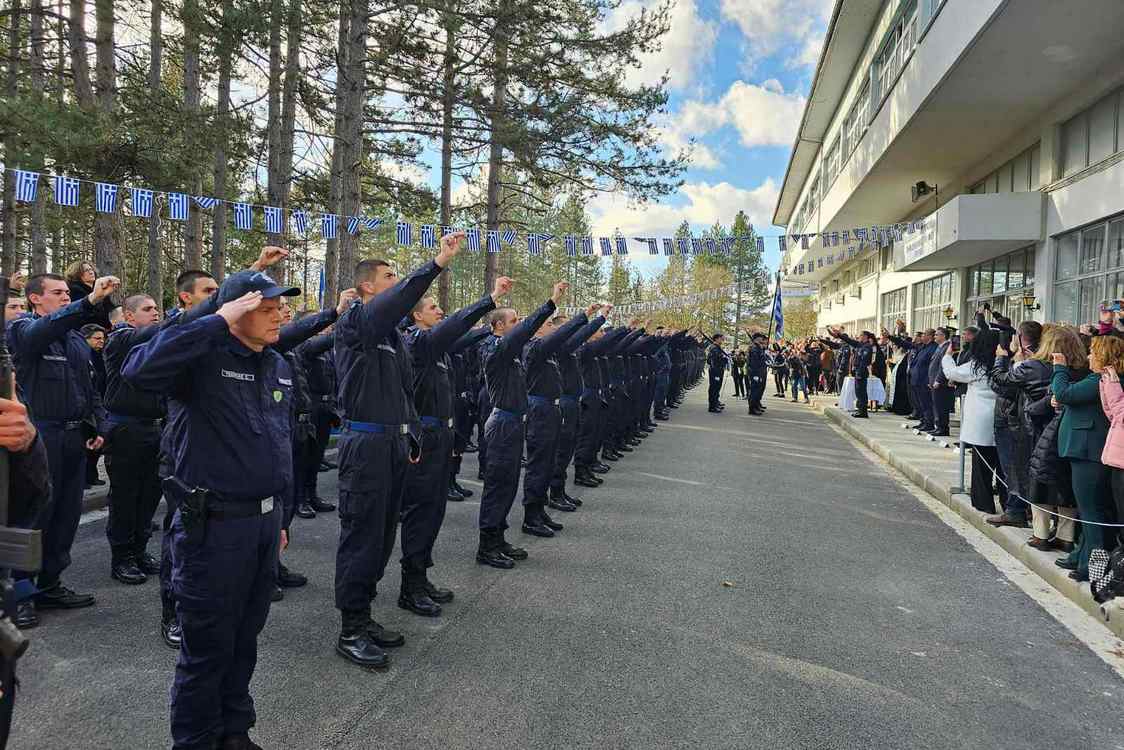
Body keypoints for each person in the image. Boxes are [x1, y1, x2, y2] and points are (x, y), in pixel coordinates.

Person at [123, 273, 298, 750]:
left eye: (281, 306)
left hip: (262, 524)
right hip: (213, 526)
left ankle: (233, 732)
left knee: (244, 639)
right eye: (266, 306)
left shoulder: (278, 364)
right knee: (207, 650)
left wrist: (281, 518)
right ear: (237, 311)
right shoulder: (201, 360)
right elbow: (138, 371)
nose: (280, 314)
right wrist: (215, 319)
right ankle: (197, 741)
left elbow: (280, 447)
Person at [6, 272, 118, 627]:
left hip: (73, 438)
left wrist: (98, 425)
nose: (66, 297)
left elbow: (92, 389)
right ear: (35, 299)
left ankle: (51, 584)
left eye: (68, 293)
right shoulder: (23, 331)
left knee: (66, 515)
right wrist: (88, 303)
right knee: (33, 516)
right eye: (57, 293)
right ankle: (18, 594)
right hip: (40, 437)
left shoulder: (75, 342)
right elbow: (44, 331)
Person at [398, 276, 510, 617]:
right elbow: (458, 327)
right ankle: (410, 586)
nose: (440, 310)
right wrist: (489, 299)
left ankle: (421, 576)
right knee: (420, 512)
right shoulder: (418, 343)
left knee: (434, 511)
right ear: (417, 316)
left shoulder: (439, 350)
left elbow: (465, 334)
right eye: (433, 307)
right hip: (426, 439)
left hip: (442, 436)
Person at [477, 281, 569, 567]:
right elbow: (528, 330)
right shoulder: (496, 350)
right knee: (497, 486)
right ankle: (487, 545)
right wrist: (550, 302)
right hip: (503, 424)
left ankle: (499, 538)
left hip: (515, 422)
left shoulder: (511, 353)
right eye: (514, 320)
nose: (519, 324)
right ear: (499, 327)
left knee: (507, 485)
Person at [102, 294, 165, 585]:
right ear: (129, 316)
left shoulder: (153, 345)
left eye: (156, 309)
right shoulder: (120, 339)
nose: (156, 314)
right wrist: (180, 317)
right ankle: (122, 557)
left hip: (154, 428)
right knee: (126, 496)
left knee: (150, 494)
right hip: (126, 430)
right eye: (148, 309)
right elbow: (149, 334)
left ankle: (139, 551)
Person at [1052, 336, 1112, 582]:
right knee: (1088, 507)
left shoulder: (1099, 379)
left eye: (1093, 353)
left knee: (1090, 510)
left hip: (1089, 451)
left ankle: (1092, 565)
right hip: (1085, 449)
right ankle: (1080, 554)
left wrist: (1059, 368)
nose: (1089, 357)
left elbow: (1064, 391)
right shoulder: (1096, 379)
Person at [548, 306, 609, 510]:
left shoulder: (572, 347)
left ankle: (560, 491)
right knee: (561, 451)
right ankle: (555, 493)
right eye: (567, 327)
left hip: (573, 401)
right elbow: (586, 337)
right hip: (564, 402)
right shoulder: (563, 348)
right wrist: (598, 318)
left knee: (568, 449)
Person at [987, 321, 1045, 532]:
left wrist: (1000, 359)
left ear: (1020, 337)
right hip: (1012, 418)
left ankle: (1015, 510)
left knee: (1013, 467)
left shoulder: (1029, 364)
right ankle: (1016, 508)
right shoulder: (1024, 360)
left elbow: (999, 384)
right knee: (1013, 467)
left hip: (1013, 421)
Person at [942, 329, 1006, 514]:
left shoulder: (976, 366)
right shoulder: (1005, 364)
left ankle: (983, 503)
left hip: (980, 420)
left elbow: (951, 373)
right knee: (1003, 467)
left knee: (981, 467)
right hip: (1002, 417)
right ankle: (1006, 502)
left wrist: (947, 356)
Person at [1098, 343, 1124, 551]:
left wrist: (1113, 387)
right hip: (1116, 457)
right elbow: (1112, 415)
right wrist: (1106, 383)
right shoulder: (1112, 380)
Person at [82, 323, 109, 488]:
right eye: (97, 338)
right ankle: (86, 477)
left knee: (96, 444)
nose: (101, 341)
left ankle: (91, 475)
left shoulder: (101, 355)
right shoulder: (84, 356)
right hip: (87, 407)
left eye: (103, 338)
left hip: (99, 402)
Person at [65, 260, 116, 330]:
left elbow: (110, 309)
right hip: (86, 331)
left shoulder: (100, 289)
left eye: (91, 269)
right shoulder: (74, 290)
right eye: (86, 270)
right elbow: (84, 313)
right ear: (77, 274)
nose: (91, 272)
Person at [927, 327, 955, 436]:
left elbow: (943, 366)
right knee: (937, 405)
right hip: (934, 381)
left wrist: (938, 380)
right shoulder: (940, 347)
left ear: (943, 336)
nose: (935, 336)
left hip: (941, 383)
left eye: (937, 335)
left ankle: (943, 428)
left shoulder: (947, 347)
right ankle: (938, 426)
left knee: (941, 406)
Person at [746, 333, 768, 415]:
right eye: (760, 337)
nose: (762, 339)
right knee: (754, 390)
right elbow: (755, 362)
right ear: (756, 338)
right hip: (755, 372)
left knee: (757, 390)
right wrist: (756, 374)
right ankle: (752, 409)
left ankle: (755, 406)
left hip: (759, 372)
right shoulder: (754, 348)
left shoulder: (758, 347)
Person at [706, 333, 727, 413]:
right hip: (715, 371)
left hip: (718, 370)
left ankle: (715, 403)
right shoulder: (714, 348)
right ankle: (712, 406)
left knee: (717, 388)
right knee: (714, 388)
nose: (723, 340)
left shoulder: (717, 347)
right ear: (717, 339)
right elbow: (714, 361)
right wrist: (724, 360)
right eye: (721, 338)